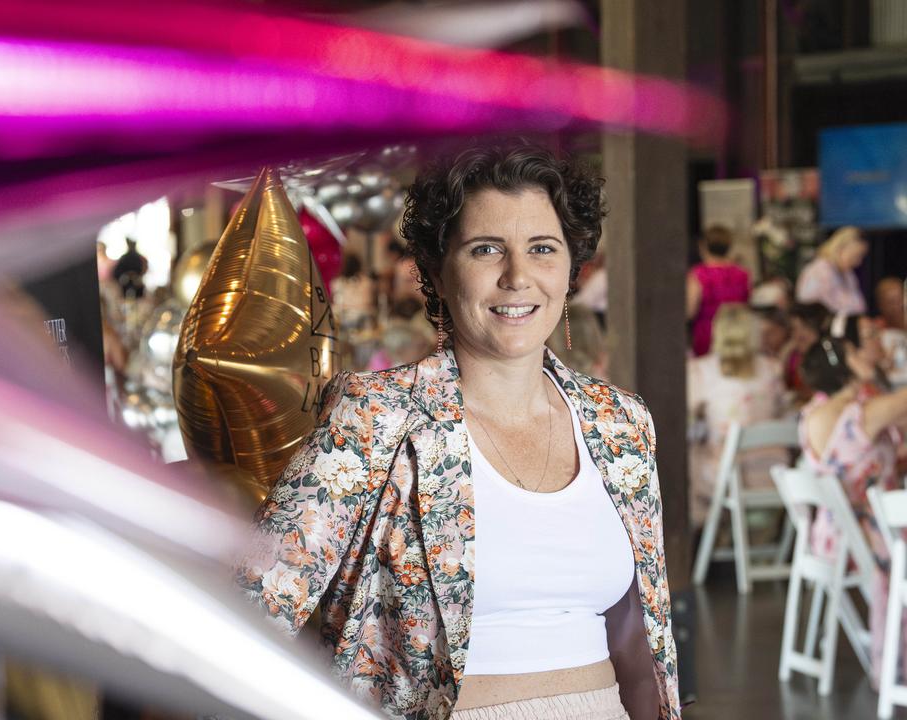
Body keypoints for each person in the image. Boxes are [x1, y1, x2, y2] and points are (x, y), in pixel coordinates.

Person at [236, 143, 678, 719]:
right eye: (486, 249)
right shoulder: (377, 418)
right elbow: (249, 606)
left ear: (571, 269)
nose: (518, 276)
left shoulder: (619, 423)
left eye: (542, 249)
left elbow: (638, 644)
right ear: (437, 273)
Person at [799, 313, 907, 688]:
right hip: (867, 533)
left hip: (834, 531)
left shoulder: (814, 412)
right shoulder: (860, 413)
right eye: (855, 351)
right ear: (845, 366)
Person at [686, 304, 786, 527]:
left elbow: (687, 420)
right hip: (772, 475)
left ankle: (704, 535)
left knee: (688, 456)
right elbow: (781, 412)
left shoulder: (700, 371)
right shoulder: (772, 369)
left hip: (726, 480)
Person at [686, 225, 751, 357]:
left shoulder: (698, 274)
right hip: (737, 335)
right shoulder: (742, 273)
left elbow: (690, 311)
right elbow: (747, 305)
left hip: (708, 335)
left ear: (703, 246)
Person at [795, 226, 868, 315]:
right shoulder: (817, 272)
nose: (858, 262)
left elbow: (859, 306)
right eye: (856, 256)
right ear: (840, 249)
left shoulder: (848, 274)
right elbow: (807, 307)